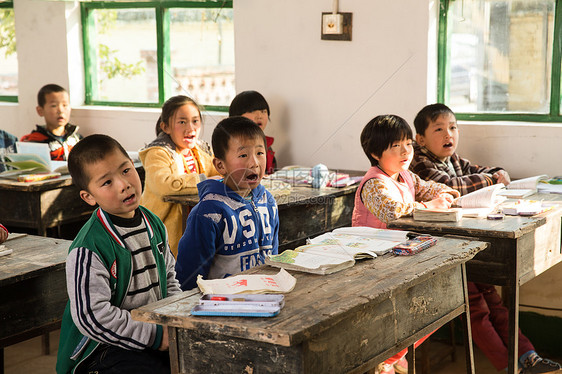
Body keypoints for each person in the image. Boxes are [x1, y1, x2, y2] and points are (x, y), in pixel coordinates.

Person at [410, 103, 562, 374]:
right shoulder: (419, 162)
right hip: (442, 249)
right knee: (477, 307)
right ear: (420, 139)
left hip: (469, 240)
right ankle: (508, 367)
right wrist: (491, 179)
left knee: (493, 299)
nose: (449, 135)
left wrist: (497, 173)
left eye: (453, 128)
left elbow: (480, 170)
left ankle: (528, 356)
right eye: (439, 129)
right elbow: (452, 186)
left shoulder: (453, 159)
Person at [56, 134, 181, 374]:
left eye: (125, 170)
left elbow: (170, 280)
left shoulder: (153, 224)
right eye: (107, 182)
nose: (124, 184)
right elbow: (93, 318)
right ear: (89, 197)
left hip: (152, 334)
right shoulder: (89, 247)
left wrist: (174, 322)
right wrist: (155, 336)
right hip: (101, 348)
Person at [351, 114, 459, 374]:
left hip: (398, 259)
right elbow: (391, 210)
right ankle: (387, 358)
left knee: (440, 306)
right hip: (370, 263)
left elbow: (429, 187)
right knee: (417, 310)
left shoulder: (406, 176)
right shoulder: (374, 183)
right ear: (376, 153)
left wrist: (446, 193)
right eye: (395, 146)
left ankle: (390, 357)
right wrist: (428, 206)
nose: (405, 152)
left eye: (408, 144)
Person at [175, 116, 279, 291]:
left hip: (263, 298)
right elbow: (188, 276)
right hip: (220, 305)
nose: (254, 163)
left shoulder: (268, 202)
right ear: (221, 165)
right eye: (243, 155)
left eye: (260, 153)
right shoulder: (208, 213)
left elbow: (273, 258)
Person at [139, 95, 219, 257]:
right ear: (166, 127)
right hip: (165, 234)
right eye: (182, 122)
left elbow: (218, 174)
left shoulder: (200, 150)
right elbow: (164, 185)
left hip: (195, 228)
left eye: (195, 121)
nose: (191, 128)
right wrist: (204, 181)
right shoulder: (157, 153)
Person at [20, 84, 82, 161]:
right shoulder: (33, 142)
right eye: (54, 106)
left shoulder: (77, 140)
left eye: (65, 105)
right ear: (40, 111)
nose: (61, 110)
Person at [229, 90, 277, 174]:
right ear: (236, 116)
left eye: (263, 111)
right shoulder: (230, 146)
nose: (259, 116)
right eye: (252, 111)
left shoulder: (267, 145)